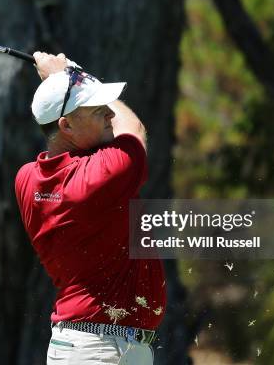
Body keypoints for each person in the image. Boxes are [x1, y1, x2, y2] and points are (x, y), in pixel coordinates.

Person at [15, 52, 166, 364]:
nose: (111, 115)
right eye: (99, 111)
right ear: (66, 125)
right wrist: (71, 72)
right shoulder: (101, 174)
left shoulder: (26, 179)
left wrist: (63, 84)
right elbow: (133, 128)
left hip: (81, 343)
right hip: (103, 348)